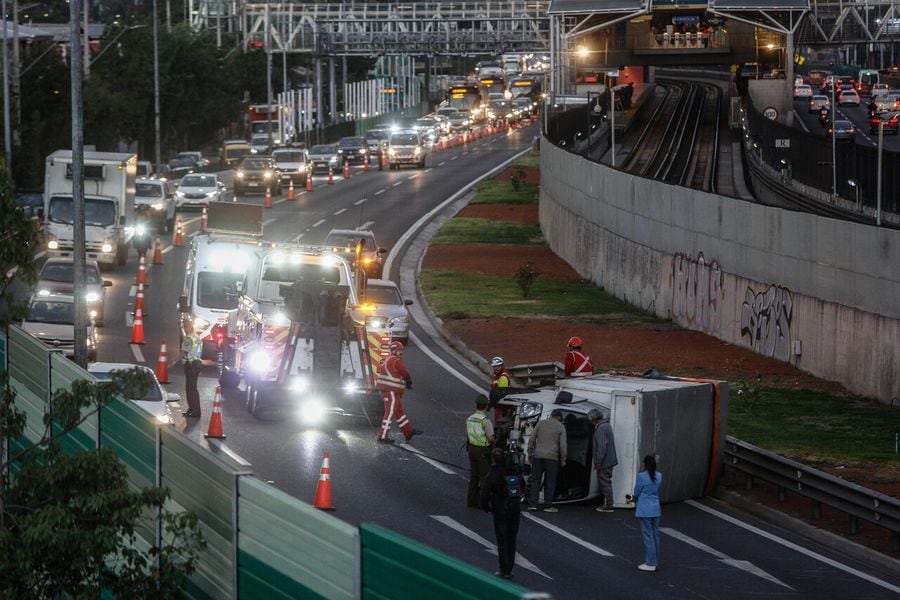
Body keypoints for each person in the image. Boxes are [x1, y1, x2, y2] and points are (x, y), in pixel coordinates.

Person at [480, 447, 524, 580]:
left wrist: (487, 508)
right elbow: (523, 486)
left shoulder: (493, 473)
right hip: (515, 509)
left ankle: (504, 569)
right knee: (512, 539)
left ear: (493, 459)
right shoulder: (513, 471)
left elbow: (485, 494)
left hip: (500, 509)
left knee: (502, 539)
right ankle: (510, 568)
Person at [375, 340, 422, 444]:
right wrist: (408, 381)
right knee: (389, 413)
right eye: (398, 350)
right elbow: (405, 372)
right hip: (390, 391)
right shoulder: (396, 361)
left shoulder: (389, 359)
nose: (401, 352)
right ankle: (382, 436)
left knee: (399, 412)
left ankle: (408, 432)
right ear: (394, 351)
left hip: (390, 391)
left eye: (401, 350)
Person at [526, 409, 567, 512]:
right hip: (552, 458)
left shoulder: (541, 423)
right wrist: (563, 459)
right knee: (550, 482)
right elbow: (563, 445)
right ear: (559, 418)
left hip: (538, 456)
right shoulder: (561, 427)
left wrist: (530, 453)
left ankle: (532, 504)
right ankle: (548, 505)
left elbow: (532, 439)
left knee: (535, 480)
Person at [629, 455, 662, 572]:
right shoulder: (659, 476)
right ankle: (655, 561)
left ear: (644, 464)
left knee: (648, 536)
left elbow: (637, 491)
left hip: (645, 509)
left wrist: (633, 498)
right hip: (655, 508)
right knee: (655, 535)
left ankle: (650, 562)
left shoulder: (641, 476)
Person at [466, 394, 496, 507]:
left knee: (474, 476)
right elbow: (490, 438)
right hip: (483, 450)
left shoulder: (470, 418)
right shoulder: (485, 421)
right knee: (484, 477)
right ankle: (483, 503)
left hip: (471, 449)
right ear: (486, 406)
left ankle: (471, 500)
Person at [170, 323, 204, 418]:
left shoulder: (188, 339)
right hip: (197, 363)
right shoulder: (197, 337)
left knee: (191, 389)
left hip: (191, 365)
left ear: (186, 328)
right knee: (191, 388)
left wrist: (173, 362)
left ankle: (196, 411)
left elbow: (183, 352)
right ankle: (192, 409)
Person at [590, 408, 618, 512]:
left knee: (605, 483)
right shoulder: (607, 425)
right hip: (610, 460)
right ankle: (608, 503)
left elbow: (601, 447)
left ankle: (608, 505)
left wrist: (598, 462)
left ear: (594, 419)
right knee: (607, 481)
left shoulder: (600, 428)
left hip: (604, 462)